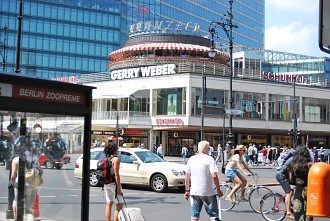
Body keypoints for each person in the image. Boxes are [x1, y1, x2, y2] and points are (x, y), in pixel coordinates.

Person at [184, 141, 223, 221]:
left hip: (194, 191)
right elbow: (214, 176)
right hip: (208, 191)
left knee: (194, 215)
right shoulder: (210, 159)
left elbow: (187, 176)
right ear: (205, 149)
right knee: (213, 215)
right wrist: (218, 189)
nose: (209, 150)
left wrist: (187, 190)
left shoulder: (191, 159)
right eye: (208, 148)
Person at [11, 141, 43, 221]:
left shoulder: (16, 159)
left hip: (20, 184)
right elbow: (41, 171)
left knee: (17, 202)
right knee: (29, 209)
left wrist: (13, 183)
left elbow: (13, 175)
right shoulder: (35, 157)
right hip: (32, 184)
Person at [289, 145, 314, 221]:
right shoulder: (311, 165)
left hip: (298, 191)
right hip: (309, 190)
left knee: (297, 212)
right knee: (308, 213)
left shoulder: (293, 165)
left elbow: (291, 180)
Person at [103, 143, 124, 221]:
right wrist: (118, 188)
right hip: (113, 184)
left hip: (106, 184)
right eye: (117, 150)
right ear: (114, 151)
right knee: (120, 204)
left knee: (109, 203)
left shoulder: (107, 158)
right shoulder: (116, 159)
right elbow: (116, 174)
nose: (118, 151)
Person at [275, 148, 295, 220]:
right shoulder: (292, 159)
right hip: (281, 176)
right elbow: (286, 171)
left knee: (291, 191)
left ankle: (287, 201)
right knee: (289, 193)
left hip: (284, 175)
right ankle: (288, 213)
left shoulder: (293, 159)